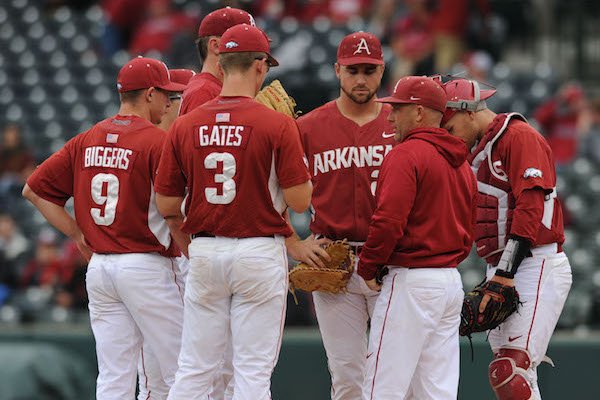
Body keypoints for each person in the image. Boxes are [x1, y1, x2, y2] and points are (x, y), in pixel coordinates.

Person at [154, 24, 312, 400]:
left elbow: (166, 206)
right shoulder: (276, 123)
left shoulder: (186, 123)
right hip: (258, 250)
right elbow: (301, 200)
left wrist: (190, 243)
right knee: (252, 373)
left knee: (194, 369)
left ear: (221, 64)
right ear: (260, 65)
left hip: (206, 249)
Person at [22, 56, 187, 400]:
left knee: (113, 377)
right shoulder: (157, 141)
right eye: (166, 96)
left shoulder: (89, 137)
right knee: (181, 371)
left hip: (100, 269)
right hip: (146, 266)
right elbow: (175, 206)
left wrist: (76, 233)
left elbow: (33, 190)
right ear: (150, 94)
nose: (169, 103)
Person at [442, 77, 572, 399]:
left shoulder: (518, 136)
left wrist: (505, 273)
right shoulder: (478, 150)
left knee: (510, 372)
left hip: (535, 262)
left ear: (469, 112)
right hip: (502, 269)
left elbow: (530, 206)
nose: (448, 134)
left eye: (450, 125)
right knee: (516, 377)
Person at [289, 31, 395, 400]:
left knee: (395, 373)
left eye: (369, 70)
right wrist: (293, 242)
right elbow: (272, 193)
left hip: (392, 262)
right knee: (347, 376)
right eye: (353, 70)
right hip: (335, 260)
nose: (361, 79)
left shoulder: (399, 125)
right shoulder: (307, 127)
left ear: (382, 71)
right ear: (337, 70)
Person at [357, 76, 477, 399]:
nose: (391, 116)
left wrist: (367, 266)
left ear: (420, 113)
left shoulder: (406, 154)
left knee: (381, 389)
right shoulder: (462, 163)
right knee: (436, 392)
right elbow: (471, 229)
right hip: (450, 282)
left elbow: (388, 222)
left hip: (411, 282)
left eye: (398, 108)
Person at [179, 6, 255, 115]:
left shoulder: (212, 88)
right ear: (216, 46)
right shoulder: (204, 92)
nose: (254, 51)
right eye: (244, 43)